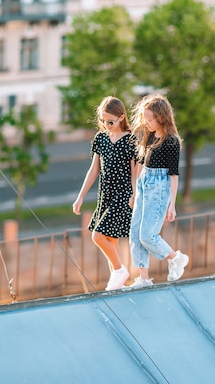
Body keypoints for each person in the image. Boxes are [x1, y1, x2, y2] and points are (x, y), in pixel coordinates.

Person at [125, 94, 189, 289]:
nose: (147, 122)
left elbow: (174, 175)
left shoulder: (171, 141)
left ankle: (175, 257)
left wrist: (172, 204)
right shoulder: (150, 135)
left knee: (147, 235)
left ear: (161, 117)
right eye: (145, 118)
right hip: (145, 183)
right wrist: (135, 193)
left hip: (159, 187)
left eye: (150, 119)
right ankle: (143, 278)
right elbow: (141, 166)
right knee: (135, 233)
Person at [73, 96, 136, 291]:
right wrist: (81, 196)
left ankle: (120, 271)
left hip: (123, 194)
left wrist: (134, 195)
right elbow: (94, 170)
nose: (107, 125)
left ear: (122, 117)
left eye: (111, 121)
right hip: (105, 194)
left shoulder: (131, 139)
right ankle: (119, 282)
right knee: (111, 240)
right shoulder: (100, 138)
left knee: (98, 235)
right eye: (103, 121)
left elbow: (135, 172)